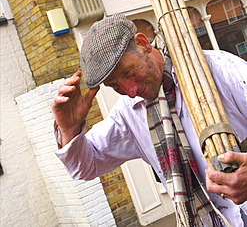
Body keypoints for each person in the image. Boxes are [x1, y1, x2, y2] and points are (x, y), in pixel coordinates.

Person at [51, 13, 247, 227]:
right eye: (114, 86)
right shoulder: (128, 115)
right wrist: (69, 128)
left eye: (128, 71)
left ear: (142, 43)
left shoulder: (219, 69)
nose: (131, 91)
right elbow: (84, 166)